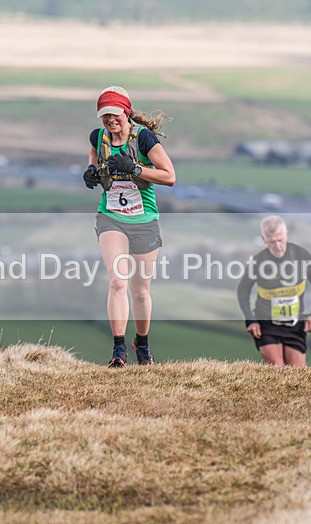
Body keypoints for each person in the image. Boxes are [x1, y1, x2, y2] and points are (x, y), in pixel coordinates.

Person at [83, 86, 175, 368]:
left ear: (126, 112)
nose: (110, 120)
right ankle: (119, 350)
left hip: (144, 219)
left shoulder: (144, 139)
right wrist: (90, 171)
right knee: (117, 281)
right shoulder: (98, 137)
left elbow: (169, 176)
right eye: (105, 115)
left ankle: (142, 346)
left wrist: (134, 168)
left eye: (115, 114)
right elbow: (94, 155)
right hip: (110, 216)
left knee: (141, 290)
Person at [236, 216, 311, 367]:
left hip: (295, 325)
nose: (278, 246)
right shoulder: (258, 262)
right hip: (267, 324)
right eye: (272, 242)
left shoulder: (300, 255)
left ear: (287, 235)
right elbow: (243, 290)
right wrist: (250, 320)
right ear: (264, 240)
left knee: (298, 375)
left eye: (281, 240)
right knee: (277, 370)